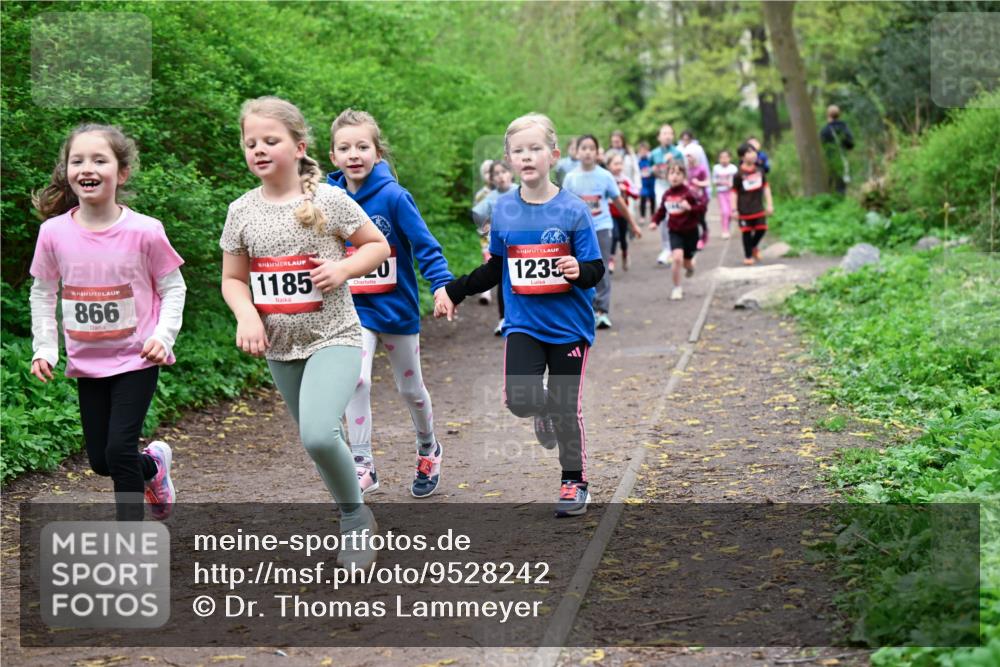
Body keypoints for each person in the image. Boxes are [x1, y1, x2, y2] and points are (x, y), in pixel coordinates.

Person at [220, 96, 389, 569]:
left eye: (270, 140)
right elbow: (233, 279)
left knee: (317, 435)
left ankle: (355, 520)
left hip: (334, 333)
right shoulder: (241, 211)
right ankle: (351, 505)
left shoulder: (327, 199)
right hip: (281, 344)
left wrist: (342, 269)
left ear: (298, 146)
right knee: (320, 435)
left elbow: (376, 246)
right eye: (250, 142)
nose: (258, 149)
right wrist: (247, 315)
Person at [434, 113, 605, 517]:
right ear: (509, 160)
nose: (527, 157)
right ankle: (541, 411)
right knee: (519, 400)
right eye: (518, 151)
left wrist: (579, 271)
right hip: (524, 323)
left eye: (535, 149)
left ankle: (573, 480)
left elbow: (596, 269)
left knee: (567, 405)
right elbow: (496, 268)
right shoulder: (505, 211)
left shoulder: (574, 210)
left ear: (554, 155)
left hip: (569, 327)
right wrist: (454, 290)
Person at [29, 123, 186, 522]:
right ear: (66, 170)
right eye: (77, 160)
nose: (88, 167)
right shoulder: (53, 233)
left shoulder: (145, 231)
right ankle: (153, 466)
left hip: (137, 357)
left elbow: (173, 288)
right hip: (88, 362)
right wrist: (45, 348)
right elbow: (43, 292)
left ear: (122, 172)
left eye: (100, 160)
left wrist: (162, 337)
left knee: (118, 450)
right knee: (102, 460)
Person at [326, 108, 453, 499]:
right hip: (352, 310)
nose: (354, 154)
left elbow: (424, 246)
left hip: (396, 311)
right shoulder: (328, 199)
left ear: (377, 153)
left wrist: (442, 285)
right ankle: (362, 463)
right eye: (344, 148)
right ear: (332, 156)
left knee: (410, 389)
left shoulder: (395, 198)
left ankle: (429, 447)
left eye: (362, 146)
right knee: (356, 378)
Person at [563, 134, 640, 330]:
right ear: (577, 152)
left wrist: (632, 223)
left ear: (598, 153)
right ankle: (585, 308)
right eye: (584, 148)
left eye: (592, 148)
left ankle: (602, 311)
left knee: (602, 267)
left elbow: (618, 201)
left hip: (602, 227)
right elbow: (563, 207)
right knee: (578, 268)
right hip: (579, 231)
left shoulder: (605, 176)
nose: (588, 152)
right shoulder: (571, 178)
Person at [650, 163, 706, 301]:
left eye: (678, 174)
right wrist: (654, 222)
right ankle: (676, 288)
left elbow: (702, 208)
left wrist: (690, 208)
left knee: (687, 263)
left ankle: (690, 267)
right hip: (675, 231)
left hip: (691, 232)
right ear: (667, 176)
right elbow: (662, 211)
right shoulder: (667, 194)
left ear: (684, 176)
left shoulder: (689, 193)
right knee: (676, 258)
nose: (674, 176)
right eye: (672, 173)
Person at [472, 160, 515, 335]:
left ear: (511, 173)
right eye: (496, 174)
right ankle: (503, 319)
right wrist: (485, 226)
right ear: (491, 178)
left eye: (504, 172)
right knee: (503, 281)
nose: (500, 176)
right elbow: (477, 216)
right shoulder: (490, 197)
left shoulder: (521, 191)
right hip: (501, 245)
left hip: (523, 246)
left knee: (521, 282)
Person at [731, 141, 774, 265]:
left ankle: (753, 247)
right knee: (746, 232)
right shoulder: (738, 174)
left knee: (762, 229)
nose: (753, 154)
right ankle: (748, 255)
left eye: (754, 151)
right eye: (749, 152)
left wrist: (770, 204)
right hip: (744, 208)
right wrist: (734, 209)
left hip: (758, 207)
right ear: (742, 157)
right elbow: (733, 192)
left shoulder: (760, 170)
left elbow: (766, 187)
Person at [650, 124, 685, 265]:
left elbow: (683, 171)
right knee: (663, 215)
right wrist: (657, 168)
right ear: (659, 137)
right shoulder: (654, 153)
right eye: (664, 133)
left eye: (670, 133)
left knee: (675, 214)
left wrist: (672, 162)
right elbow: (649, 170)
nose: (667, 136)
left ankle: (676, 246)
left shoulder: (678, 153)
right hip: (660, 186)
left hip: (674, 187)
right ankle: (666, 248)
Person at [607, 153, 639, 272]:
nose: (618, 166)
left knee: (623, 238)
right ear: (609, 165)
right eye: (615, 164)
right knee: (614, 236)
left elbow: (636, 194)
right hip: (610, 213)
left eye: (620, 164)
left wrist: (627, 190)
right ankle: (611, 259)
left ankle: (625, 253)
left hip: (622, 213)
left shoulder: (625, 179)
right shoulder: (607, 179)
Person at [820, 105, 855, 194]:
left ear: (828, 115)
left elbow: (821, 146)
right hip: (842, 160)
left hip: (829, 162)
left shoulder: (825, 130)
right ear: (839, 115)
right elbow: (851, 144)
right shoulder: (844, 127)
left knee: (829, 187)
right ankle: (842, 205)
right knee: (841, 188)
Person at [684, 149, 711, 249]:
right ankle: (694, 239)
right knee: (691, 220)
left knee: (701, 219)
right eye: (687, 156)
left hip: (701, 199)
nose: (689, 159)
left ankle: (703, 238)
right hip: (690, 199)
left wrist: (698, 183)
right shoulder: (685, 170)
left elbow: (707, 182)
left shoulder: (701, 169)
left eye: (691, 156)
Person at [712, 149, 738, 240]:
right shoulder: (716, 168)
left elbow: (736, 181)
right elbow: (714, 181)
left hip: (731, 193)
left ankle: (727, 227)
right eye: (722, 157)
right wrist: (723, 182)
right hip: (721, 192)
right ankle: (724, 230)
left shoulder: (733, 168)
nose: (724, 159)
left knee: (731, 213)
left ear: (730, 158)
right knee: (724, 211)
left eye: (726, 157)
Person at [637, 141, 656, 225]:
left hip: (651, 182)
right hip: (643, 183)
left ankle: (653, 215)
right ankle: (642, 216)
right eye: (641, 151)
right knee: (643, 199)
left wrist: (651, 171)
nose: (643, 152)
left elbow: (655, 168)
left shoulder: (651, 159)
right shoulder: (638, 160)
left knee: (652, 199)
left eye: (645, 150)